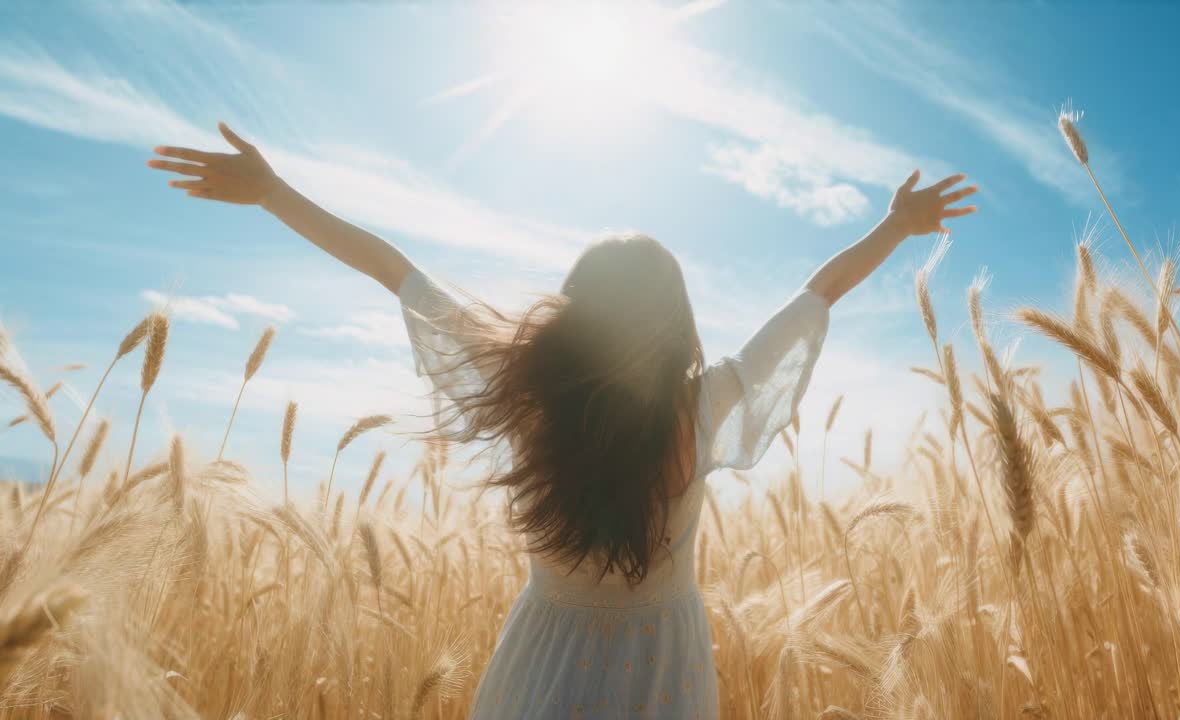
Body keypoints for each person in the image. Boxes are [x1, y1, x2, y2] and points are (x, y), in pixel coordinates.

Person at [148, 123, 977, 719]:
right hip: (665, 675)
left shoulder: (529, 393)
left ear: (576, 312)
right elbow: (819, 291)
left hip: (539, 665)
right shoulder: (708, 399)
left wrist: (274, 193)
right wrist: (897, 226)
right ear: (677, 318)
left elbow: (395, 271)